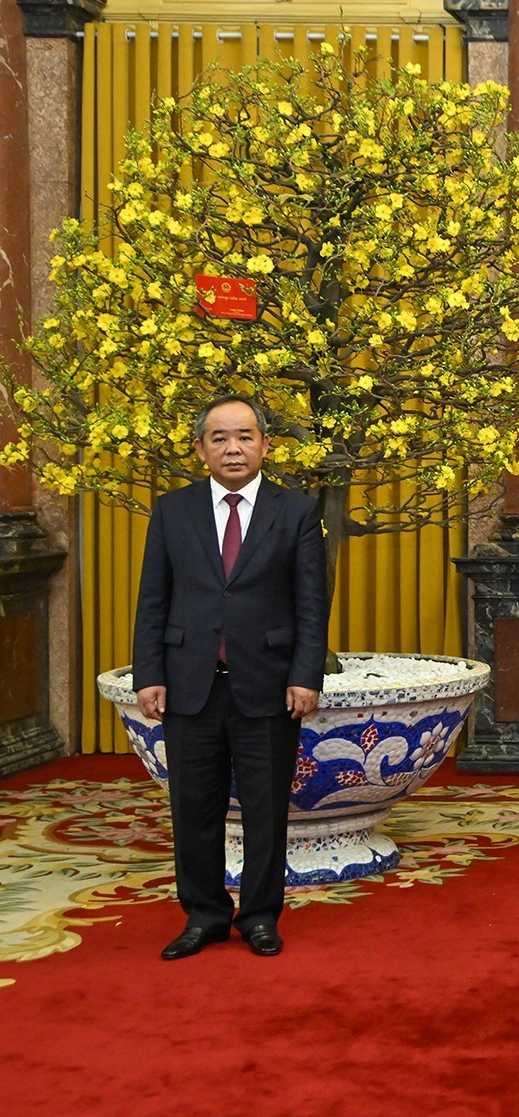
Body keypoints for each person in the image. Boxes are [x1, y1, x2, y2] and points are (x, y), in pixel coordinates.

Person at [133, 395, 327, 961]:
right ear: (200, 448)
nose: (233, 448)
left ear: (266, 444)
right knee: (193, 810)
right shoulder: (172, 511)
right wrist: (149, 672)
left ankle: (260, 916)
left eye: (245, 436)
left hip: (268, 683)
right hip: (189, 683)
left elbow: (311, 604)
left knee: (266, 810)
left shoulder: (296, 511)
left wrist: (305, 674)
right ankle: (204, 916)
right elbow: (153, 599)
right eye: (219, 438)